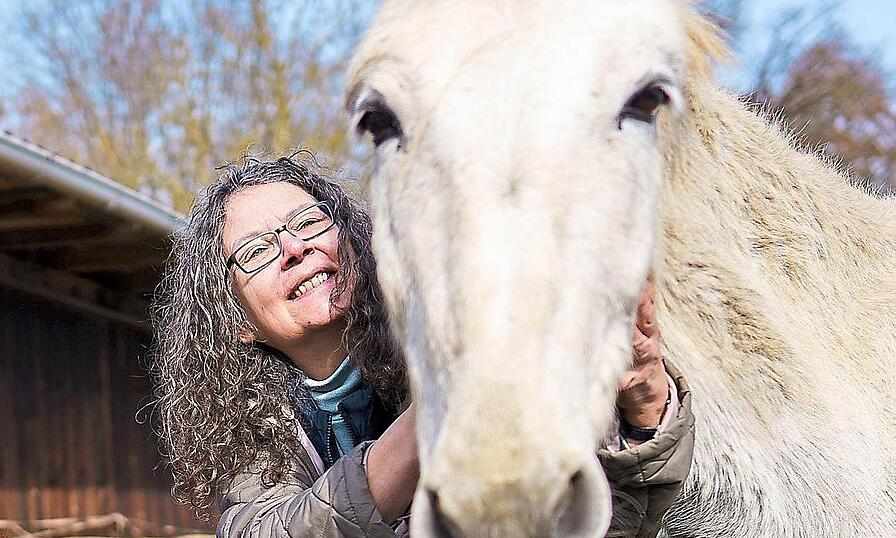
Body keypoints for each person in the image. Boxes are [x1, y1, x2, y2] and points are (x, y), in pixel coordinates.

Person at [150, 154, 694, 538]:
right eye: (256, 251)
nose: (294, 249)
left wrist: (645, 405)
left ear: (356, 243)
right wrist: (443, 401)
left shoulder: (452, 325)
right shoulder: (247, 431)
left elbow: (619, 515)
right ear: (235, 319)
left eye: (308, 222)